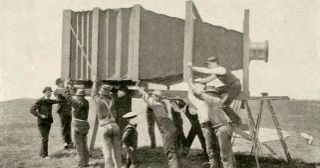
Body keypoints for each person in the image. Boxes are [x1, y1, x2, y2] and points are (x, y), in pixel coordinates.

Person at [187, 74, 236, 168]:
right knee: (212, 151)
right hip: (209, 126)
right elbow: (192, 95)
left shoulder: (215, 100)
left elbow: (197, 93)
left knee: (222, 154)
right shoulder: (202, 101)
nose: (209, 94)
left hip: (219, 127)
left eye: (211, 93)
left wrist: (190, 83)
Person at [188, 57, 242, 127]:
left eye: (209, 64)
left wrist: (193, 68)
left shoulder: (221, 69)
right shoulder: (217, 73)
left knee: (224, 105)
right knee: (215, 90)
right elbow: (206, 80)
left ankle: (237, 121)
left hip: (235, 87)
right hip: (229, 86)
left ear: (215, 63)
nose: (208, 66)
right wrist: (194, 81)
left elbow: (207, 71)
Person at [137, 83, 181, 168]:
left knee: (169, 151)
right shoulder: (162, 103)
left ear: (157, 97)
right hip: (171, 126)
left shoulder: (157, 105)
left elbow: (146, 97)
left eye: (153, 95)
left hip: (166, 129)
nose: (152, 96)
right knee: (174, 149)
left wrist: (140, 88)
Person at [92, 81, 122, 168]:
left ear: (101, 93)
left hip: (105, 126)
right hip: (114, 126)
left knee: (107, 151)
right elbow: (114, 95)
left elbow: (93, 94)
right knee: (117, 150)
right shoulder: (113, 100)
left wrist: (95, 83)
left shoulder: (98, 101)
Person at [30, 87, 60, 159]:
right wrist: (40, 115)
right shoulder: (40, 100)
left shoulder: (49, 100)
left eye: (50, 92)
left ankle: (41, 154)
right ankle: (45, 155)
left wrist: (58, 94)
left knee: (45, 138)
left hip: (48, 122)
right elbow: (32, 110)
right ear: (44, 92)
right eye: (48, 92)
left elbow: (57, 101)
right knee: (45, 138)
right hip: (42, 122)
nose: (50, 94)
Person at [64, 89, 90, 168]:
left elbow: (68, 97)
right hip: (85, 125)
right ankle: (86, 162)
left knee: (79, 146)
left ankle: (81, 164)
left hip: (78, 125)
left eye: (78, 96)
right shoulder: (86, 102)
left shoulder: (77, 103)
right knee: (84, 144)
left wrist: (66, 89)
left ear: (79, 96)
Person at [54, 78, 73, 149]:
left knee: (68, 126)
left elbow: (72, 91)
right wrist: (67, 87)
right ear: (58, 84)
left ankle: (69, 141)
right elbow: (60, 94)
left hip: (68, 110)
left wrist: (69, 86)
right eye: (62, 83)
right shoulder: (56, 91)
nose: (63, 83)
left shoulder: (66, 89)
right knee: (64, 127)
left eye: (63, 82)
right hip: (62, 111)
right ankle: (65, 142)